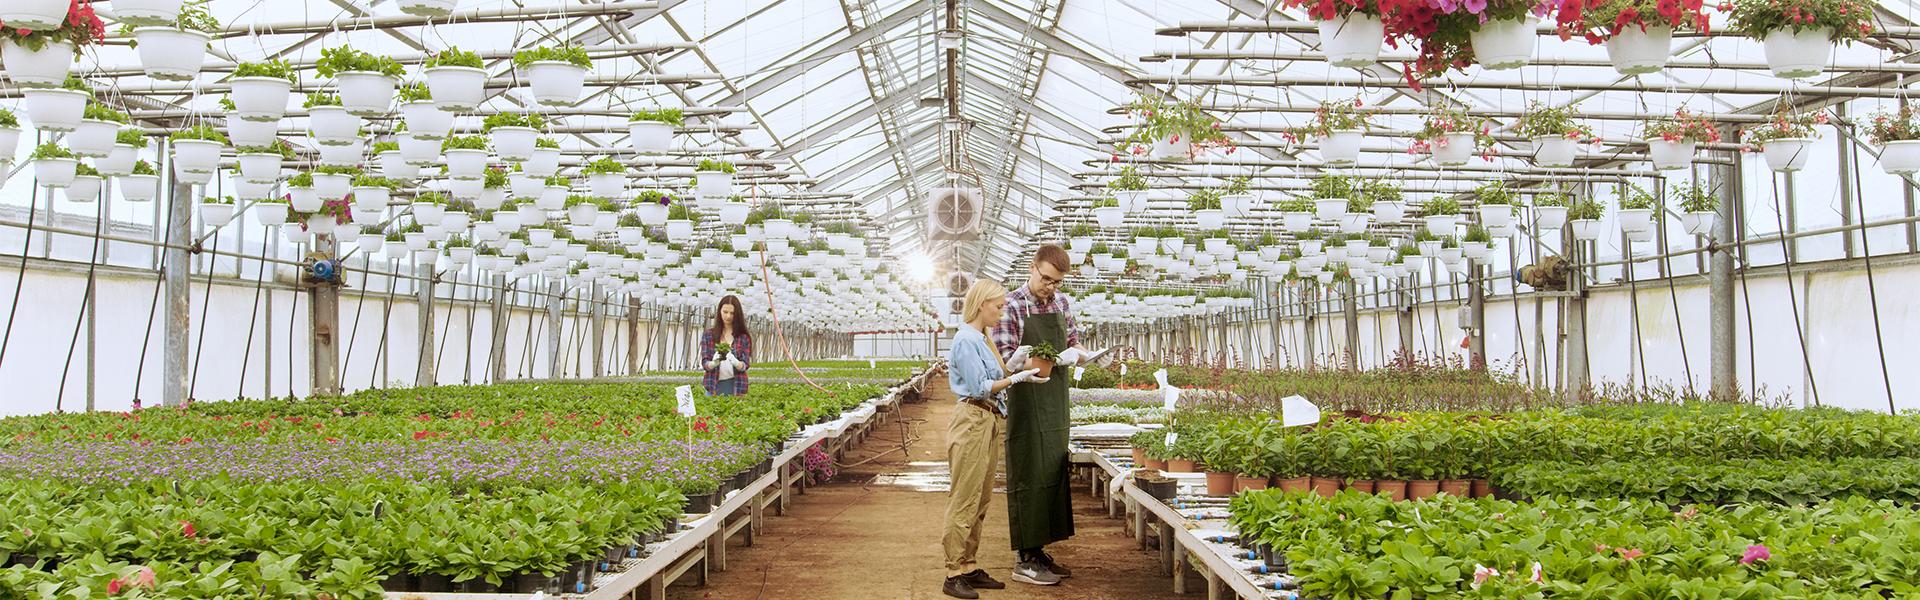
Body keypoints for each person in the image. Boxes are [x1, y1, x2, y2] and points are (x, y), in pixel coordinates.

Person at [991, 244, 1090, 584]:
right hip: (1027, 403)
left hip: (1056, 404)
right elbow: (1003, 360)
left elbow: (1073, 340)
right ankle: (1024, 557)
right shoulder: (1013, 305)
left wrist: (1081, 355)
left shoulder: (1062, 304)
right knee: (1029, 473)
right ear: (1032, 268)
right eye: (1046, 278)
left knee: (1052, 471)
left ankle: (1039, 552)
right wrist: (1035, 360)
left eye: (1057, 282)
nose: (1050, 287)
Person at [941, 280, 1044, 598]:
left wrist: (1012, 365)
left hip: (987, 420)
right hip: (971, 419)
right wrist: (1016, 377)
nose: (1001, 312)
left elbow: (994, 376)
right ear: (981, 304)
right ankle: (952, 571)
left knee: (981, 498)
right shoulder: (965, 340)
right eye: (997, 307)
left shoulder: (983, 338)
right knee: (964, 498)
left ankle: (969, 565)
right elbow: (979, 386)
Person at [699, 295, 752, 396]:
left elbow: (745, 365)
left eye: (732, 313)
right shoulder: (709, 335)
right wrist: (713, 363)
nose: (728, 316)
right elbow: (705, 363)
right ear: (719, 311)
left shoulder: (743, 337)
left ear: (737, 314)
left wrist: (736, 362)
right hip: (713, 385)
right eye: (725, 312)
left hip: (736, 386)